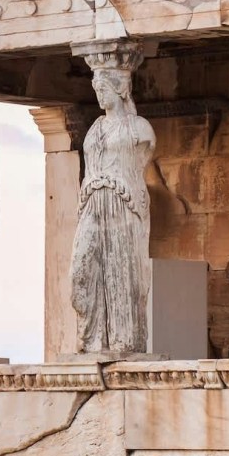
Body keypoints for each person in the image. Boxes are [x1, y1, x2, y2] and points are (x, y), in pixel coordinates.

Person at [70, 55, 155, 354]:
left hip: (123, 203)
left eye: (103, 87)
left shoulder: (139, 129)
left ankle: (124, 341)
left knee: (122, 273)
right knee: (81, 273)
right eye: (96, 88)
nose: (98, 93)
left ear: (120, 89)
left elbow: (141, 160)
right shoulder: (94, 129)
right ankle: (92, 339)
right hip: (93, 203)